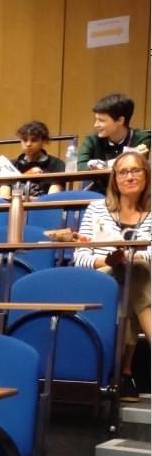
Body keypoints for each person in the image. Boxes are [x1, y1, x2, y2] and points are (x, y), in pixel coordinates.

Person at [74, 152, 151, 401]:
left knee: (132, 271)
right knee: (124, 273)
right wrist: (107, 260)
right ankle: (126, 372)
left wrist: (132, 258)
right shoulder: (96, 209)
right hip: (101, 276)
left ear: (147, 175)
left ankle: (124, 373)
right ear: (114, 179)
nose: (129, 177)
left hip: (142, 273)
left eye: (136, 170)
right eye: (123, 172)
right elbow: (81, 257)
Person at [76, 93, 151, 193]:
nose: (96, 125)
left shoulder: (142, 139)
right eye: (96, 120)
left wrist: (102, 166)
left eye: (101, 120)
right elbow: (81, 166)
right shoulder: (92, 140)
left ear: (120, 120)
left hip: (132, 193)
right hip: (100, 194)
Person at [0, 121, 65, 199]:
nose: (28, 144)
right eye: (25, 140)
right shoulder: (11, 165)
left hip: (42, 209)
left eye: (34, 140)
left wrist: (26, 199)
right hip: (13, 207)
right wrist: (26, 175)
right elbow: (3, 197)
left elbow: (52, 198)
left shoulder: (56, 164)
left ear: (43, 141)